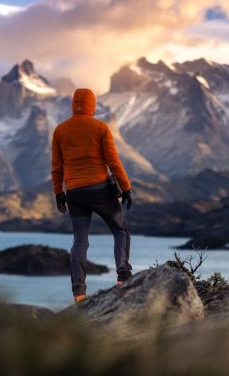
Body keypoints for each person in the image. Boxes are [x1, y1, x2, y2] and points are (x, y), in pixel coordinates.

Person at [51, 88, 133, 303]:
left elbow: (57, 168)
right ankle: (123, 276)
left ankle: (79, 291)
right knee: (120, 230)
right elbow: (113, 161)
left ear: (73, 104)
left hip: (75, 193)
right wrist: (126, 188)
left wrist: (59, 193)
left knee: (80, 240)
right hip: (100, 190)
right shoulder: (100, 127)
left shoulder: (60, 130)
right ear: (92, 105)